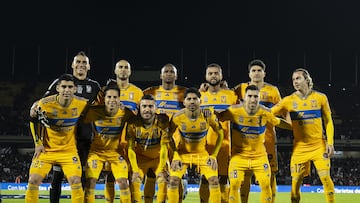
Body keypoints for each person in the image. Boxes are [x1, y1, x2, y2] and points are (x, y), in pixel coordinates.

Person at [30, 51, 101, 203]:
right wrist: (35, 105)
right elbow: (44, 102)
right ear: (72, 65)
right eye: (78, 62)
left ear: (88, 66)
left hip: (84, 138)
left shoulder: (94, 86)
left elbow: (100, 109)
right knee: (57, 177)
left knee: (81, 176)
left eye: (84, 62)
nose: (81, 65)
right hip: (61, 139)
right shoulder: (61, 82)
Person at [216, 85, 292, 203]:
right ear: (244, 97)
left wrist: (294, 127)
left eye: (255, 96)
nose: (252, 99)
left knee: (266, 185)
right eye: (250, 96)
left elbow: (278, 122)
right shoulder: (233, 111)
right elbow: (218, 116)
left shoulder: (265, 112)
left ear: (259, 97)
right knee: (234, 185)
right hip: (238, 157)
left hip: (259, 157)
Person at [271, 68, 335, 203]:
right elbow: (269, 115)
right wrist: (280, 123)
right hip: (300, 148)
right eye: (293, 79)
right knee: (295, 186)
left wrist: (330, 143)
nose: (295, 82)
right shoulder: (288, 101)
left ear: (307, 79)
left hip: (319, 145)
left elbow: (328, 121)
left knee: (325, 178)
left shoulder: (320, 97)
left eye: (298, 78)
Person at [25, 74, 89, 203]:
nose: (67, 90)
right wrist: (37, 143)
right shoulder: (45, 103)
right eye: (64, 86)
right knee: (33, 180)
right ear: (58, 88)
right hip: (47, 151)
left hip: (69, 152)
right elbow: (32, 120)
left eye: (70, 87)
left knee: (76, 182)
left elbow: (99, 110)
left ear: (75, 89)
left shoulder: (82, 103)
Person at [232, 59, 283, 203]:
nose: (256, 73)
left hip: (268, 139)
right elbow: (225, 97)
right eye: (253, 70)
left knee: (270, 175)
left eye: (259, 70)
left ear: (264, 73)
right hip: (244, 140)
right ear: (249, 74)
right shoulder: (240, 89)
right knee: (245, 174)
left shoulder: (273, 91)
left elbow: (284, 110)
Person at [167, 87, 224, 203]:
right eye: (189, 99)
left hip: (202, 154)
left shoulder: (208, 116)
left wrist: (213, 155)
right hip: (183, 154)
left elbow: (221, 133)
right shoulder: (177, 117)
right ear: (184, 102)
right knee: (172, 180)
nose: (192, 101)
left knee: (214, 180)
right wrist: (176, 155)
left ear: (200, 101)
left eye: (195, 99)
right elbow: (168, 136)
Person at [98, 59, 144, 202]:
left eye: (126, 67)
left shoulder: (137, 92)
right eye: (120, 67)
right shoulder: (105, 91)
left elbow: (144, 117)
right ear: (115, 71)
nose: (123, 70)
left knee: (132, 176)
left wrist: (129, 112)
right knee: (110, 176)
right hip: (110, 141)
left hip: (130, 142)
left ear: (130, 72)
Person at [143, 63, 188, 201]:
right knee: (153, 175)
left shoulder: (183, 93)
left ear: (176, 75)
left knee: (175, 177)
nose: (169, 74)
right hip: (157, 142)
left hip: (177, 142)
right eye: (166, 71)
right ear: (161, 75)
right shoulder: (151, 92)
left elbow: (198, 100)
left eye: (171, 71)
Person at [82, 85, 133, 203]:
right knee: (90, 182)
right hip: (96, 153)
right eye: (109, 97)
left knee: (123, 183)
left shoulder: (126, 113)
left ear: (120, 99)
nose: (112, 100)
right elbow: (76, 118)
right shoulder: (93, 112)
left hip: (116, 153)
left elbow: (139, 121)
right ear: (104, 99)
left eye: (115, 97)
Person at [199, 63, 237, 203]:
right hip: (204, 145)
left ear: (221, 76)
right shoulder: (199, 96)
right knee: (204, 179)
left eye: (216, 73)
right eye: (210, 73)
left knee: (222, 180)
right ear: (206, 76)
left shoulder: (231, 95)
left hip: (224, 145)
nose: (213, 76)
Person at [126, 94, 170, 203]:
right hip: (141, 158)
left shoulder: (162, 122)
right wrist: (135, 170)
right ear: (139, 108)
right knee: (135, 180)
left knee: (163, 180)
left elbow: (164, 147)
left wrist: (161, 168)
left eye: (150, 106)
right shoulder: (132, 123)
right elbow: (130, 148)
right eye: (144, 106)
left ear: (156, 108)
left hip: (158, 158)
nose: (147, 109)